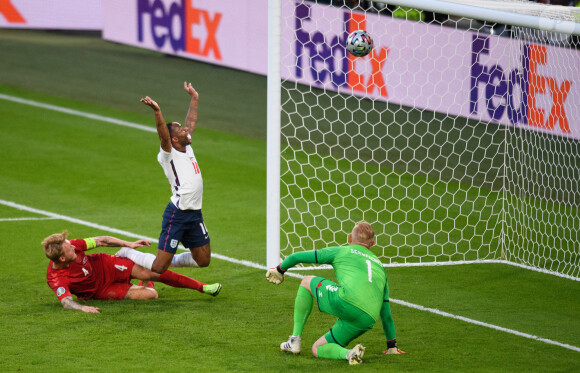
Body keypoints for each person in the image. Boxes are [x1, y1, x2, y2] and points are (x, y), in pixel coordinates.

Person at [265, 222, 404, 365]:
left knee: (306, 281)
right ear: (372, 243)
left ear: (350, 239)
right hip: (367, 318)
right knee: (317, 348)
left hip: (346, 301)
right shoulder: (380, 267)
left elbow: (296, 257)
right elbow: (386, 313)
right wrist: (392, 346)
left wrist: (280, 270)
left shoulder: (341, 251)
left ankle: (294, 341)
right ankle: (350, 354)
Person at [43, 231, 222, 314]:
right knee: (152, 295)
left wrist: (127, 244)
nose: (74, 246)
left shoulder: (73, 245)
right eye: (69, 249)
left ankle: (202, 287)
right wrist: (84, 308)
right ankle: (140, 281)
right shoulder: (55, 278)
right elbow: (66, 302)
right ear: (62, 260)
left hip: (104, 265)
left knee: (151, 273)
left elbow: (101, 241)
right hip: (100, 291)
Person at [134, 82, 210, 274]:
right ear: (174, 139)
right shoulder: (168, 154)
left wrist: (195, 97)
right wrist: (157, 111)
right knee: (159, 267)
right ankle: (128, 253)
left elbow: (191, 122)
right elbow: (163, 135)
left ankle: (171, 260)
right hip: (177, 214)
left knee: (203, 260)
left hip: (194, 213)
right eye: (180, 130)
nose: (186, 130)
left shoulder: (187, 145)